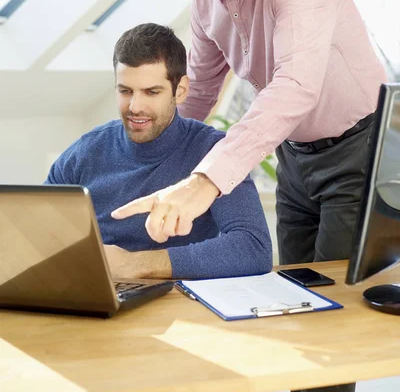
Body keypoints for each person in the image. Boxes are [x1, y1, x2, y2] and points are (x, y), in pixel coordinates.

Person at [111, 0, 387, 392]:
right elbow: (198, 96)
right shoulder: (205, 0)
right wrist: (154, 164)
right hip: (295, 157)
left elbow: (295, 86)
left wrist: (205, 182)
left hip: (360, 149)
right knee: (295, 300)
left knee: (335, 318)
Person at [45, 23, 272, 281]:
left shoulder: (214, 152)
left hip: (177, 304)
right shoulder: (85, 152)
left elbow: (253, 247)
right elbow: (35, 228)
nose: (135, 106)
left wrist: (135, 264)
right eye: (125, 91)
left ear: (181, 90)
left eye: (151, 92)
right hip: (94, 292)